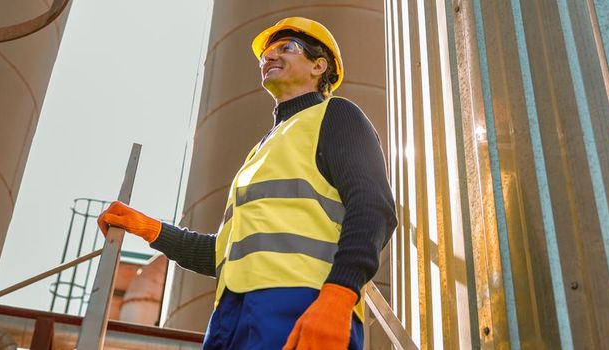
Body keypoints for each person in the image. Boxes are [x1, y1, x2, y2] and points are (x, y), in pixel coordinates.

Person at [98, 17, 396, 349]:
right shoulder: (260, 151)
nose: (269, 56)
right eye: (265, 54)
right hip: (230, 316)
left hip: (303, 302)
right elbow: (224, 253)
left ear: (319, 65)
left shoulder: (336, 116)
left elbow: (373, 208)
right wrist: (152, 229)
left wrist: (339, 295)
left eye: (286, 48)